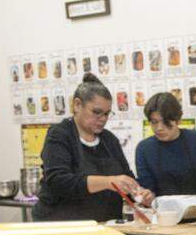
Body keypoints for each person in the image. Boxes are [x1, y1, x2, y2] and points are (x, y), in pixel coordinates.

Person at [34, 73, 152, 222]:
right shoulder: (60, 135)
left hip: (105, 225)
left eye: (107, 114)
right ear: (77, 105)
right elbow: (59, 182)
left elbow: (126, 179)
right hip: (63, 225)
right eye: (96, 112)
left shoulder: (109, 140)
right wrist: (109, 182)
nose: (102, 119)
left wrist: (139, 194)